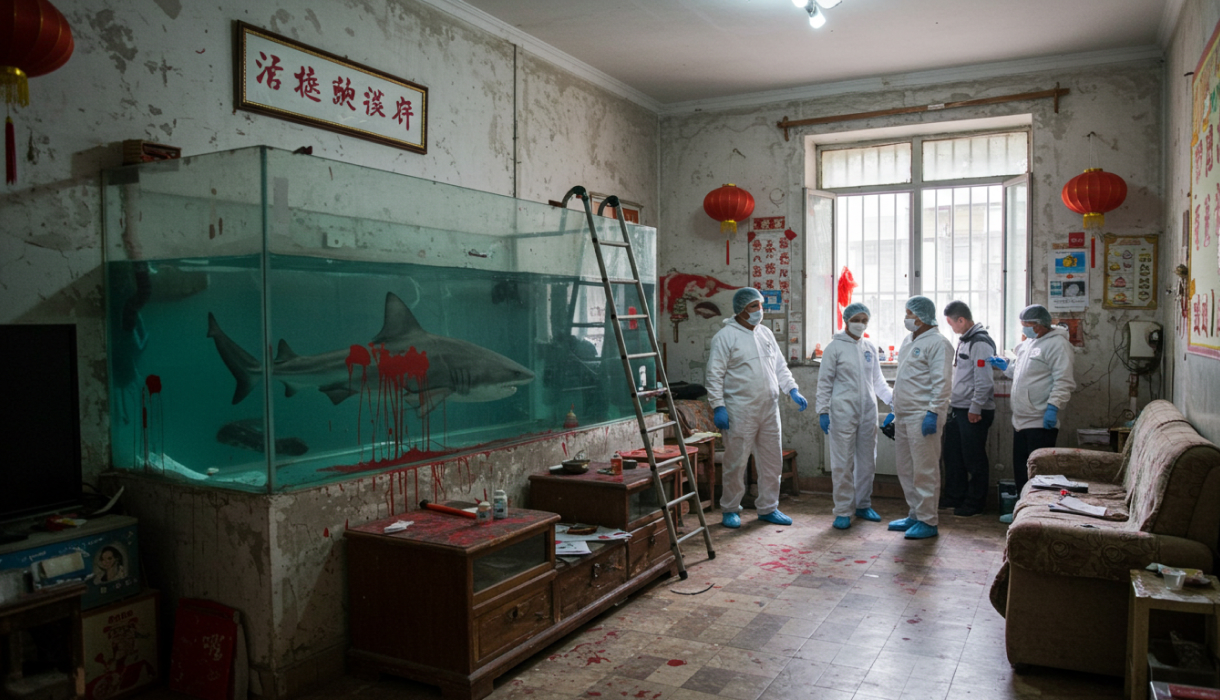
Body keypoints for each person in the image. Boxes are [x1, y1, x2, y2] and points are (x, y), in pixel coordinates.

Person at [707, 287, 808, 528]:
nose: (759, 311)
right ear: (741, 310)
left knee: (772, 461)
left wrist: (792, 389)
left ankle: (768, 507)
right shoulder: (725, 336)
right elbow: (714, 374)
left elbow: (780, 366)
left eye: (760, 306)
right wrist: (718, 405)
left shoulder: (765, 334)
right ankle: (730, 508)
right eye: (754, 306)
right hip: (740, 410)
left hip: (769, 409)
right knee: (736, 463)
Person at [987, 304, 1076, 524]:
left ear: (1038, 325)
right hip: (1021, 418)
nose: (1023, 329)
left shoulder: (1058, 345)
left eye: (1026, 325)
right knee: (1021, 467)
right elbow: (1021, 373)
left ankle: (1037, 513)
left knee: (1039, 471)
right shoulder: (1030, 343)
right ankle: (1022, 508)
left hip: (1040, 418)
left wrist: (1053, 407)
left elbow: (1063, 381)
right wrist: (1006, 367)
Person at [815, 302, 894, 530]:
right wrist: (823, 410)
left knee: (868, 461)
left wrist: (893, 401)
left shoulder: (869, 347)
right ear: (846, 320)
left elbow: (878, 381)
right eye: (856, 320)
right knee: (842, 463)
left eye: (864, 320)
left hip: (868, 412)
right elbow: (825, 382)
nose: (860, 324)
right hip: (842, 413)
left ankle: (862, 504)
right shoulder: (834, 348)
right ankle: (842, 511)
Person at [888, 296, 953, 539]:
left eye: (909, 314)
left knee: (925, 470)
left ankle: (928, 520)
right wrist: (895, 412)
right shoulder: (908, 340)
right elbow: (905, 379)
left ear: (922, 316)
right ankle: (915, 513)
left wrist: (933, 411)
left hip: (923, 415)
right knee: (906, 469)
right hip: (905, 415)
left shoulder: (938, 343)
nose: (906, 319)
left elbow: (942, 382)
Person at [939, 300, 996, 518]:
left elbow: (984, 381)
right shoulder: (965, 340)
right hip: (959, 407)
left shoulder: (979, 343)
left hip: (973, 410)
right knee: (954, 455)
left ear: (961, 320)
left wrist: (976, 408)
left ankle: (975, 502)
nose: (951, 328)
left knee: (974, 458)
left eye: (952, 323)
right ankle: (955, 496)